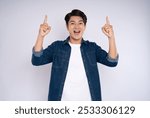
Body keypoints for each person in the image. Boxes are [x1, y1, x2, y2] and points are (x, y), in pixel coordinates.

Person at [32, 9, 118, 101]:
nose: (76, 26)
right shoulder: (57, 47)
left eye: (80, 23)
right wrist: (41, 36)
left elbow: (112, 62)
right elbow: (37, 61)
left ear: (84, 26)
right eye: (72, 23)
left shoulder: (92, 48)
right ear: (67, 27)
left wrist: (111, 37)